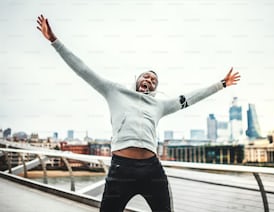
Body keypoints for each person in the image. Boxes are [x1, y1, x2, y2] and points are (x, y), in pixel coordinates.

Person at [36, 14, 240, 212]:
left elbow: (190, 98)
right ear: (137, 80)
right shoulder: (114, 91)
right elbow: (83, 70)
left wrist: (221, 84)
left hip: (152, 169)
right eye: (146, 77)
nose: (150, 80)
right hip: (121, 169)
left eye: (154, 81)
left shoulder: (159, 105)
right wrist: (54, 41)